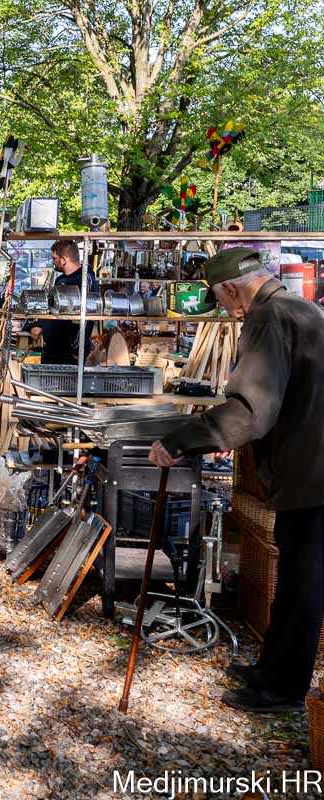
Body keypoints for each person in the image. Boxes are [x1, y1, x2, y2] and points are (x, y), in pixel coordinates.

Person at [149, 247, 324, 714]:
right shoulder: (303, 309)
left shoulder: (269, 318)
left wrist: (182, 440)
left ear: (231, 287)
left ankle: (282, 690)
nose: (226, 311)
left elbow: (251, 410)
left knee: (302, 585)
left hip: (311, 469)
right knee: (295, 579)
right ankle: (273, 670)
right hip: (310, 463)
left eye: (222, 301)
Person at [22, 240, 99, 364]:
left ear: (64, 259)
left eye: (54, 258)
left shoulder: (85, 281)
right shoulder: (60, 279)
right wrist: (38, 324)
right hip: (51, 350)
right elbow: (51, 306)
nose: (53, 261)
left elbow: (87, 319)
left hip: (70, 354)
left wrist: (76, 349)